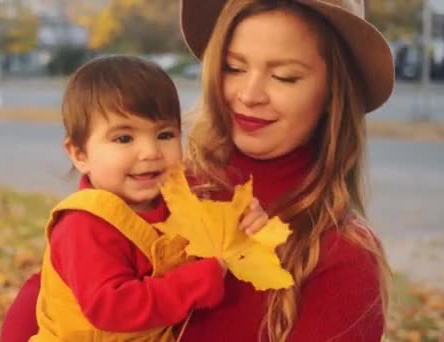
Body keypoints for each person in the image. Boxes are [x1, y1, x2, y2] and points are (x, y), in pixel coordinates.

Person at [1, 0, 395, 340]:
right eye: (233, 67)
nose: (249, 95)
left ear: (332, 92)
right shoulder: (163, 185)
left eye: (284, 76)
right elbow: (55, 293)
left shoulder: (344, 257)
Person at [21, 55, 268, 341]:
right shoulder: (84, 225)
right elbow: (112, 307)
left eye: (165, 134)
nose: (151, 152)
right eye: (124, 139)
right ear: (80, 154)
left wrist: (243, 224)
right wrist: (200, 281)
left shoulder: (178, 201)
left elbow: (214, 240)